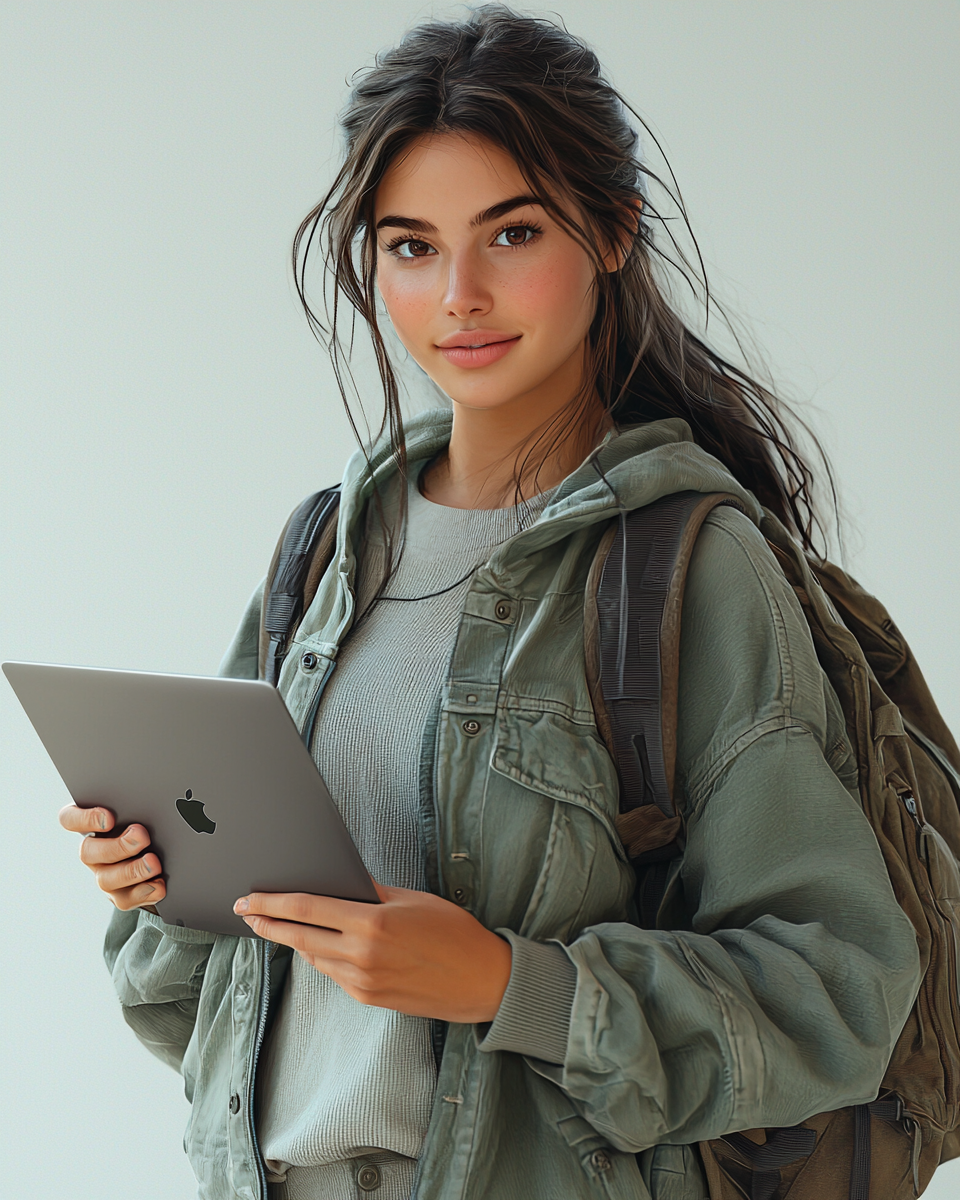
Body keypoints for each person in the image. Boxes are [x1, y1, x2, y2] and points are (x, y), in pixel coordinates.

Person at [58, 7, 925, 1200]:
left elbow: (840, 991)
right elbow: (189, 1012)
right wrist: (167, 881)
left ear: (614, 232)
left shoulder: (690, 568)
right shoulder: (326, 554)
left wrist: (505, 985)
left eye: (510, 233)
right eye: (411, 246)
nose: (458, 294)